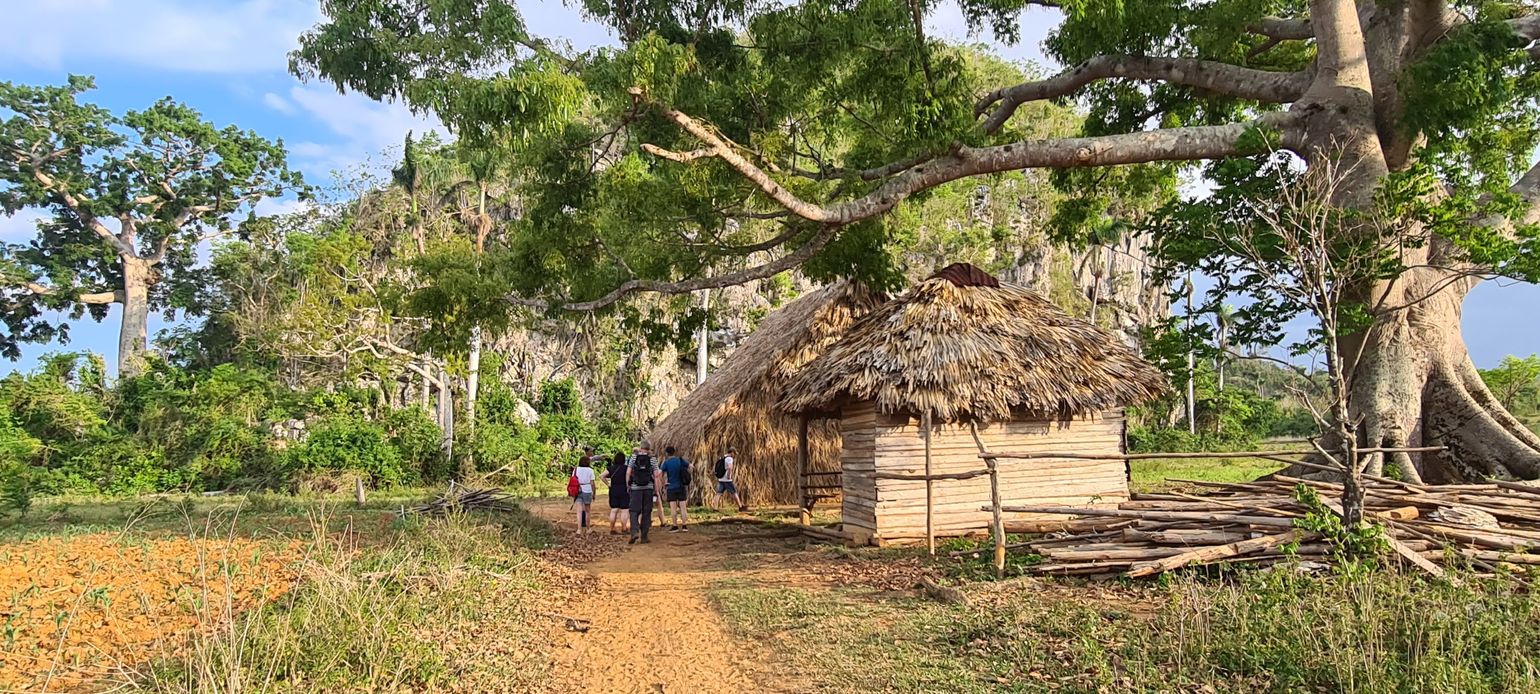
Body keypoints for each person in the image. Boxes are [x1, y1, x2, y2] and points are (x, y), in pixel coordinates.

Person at [626, 443, 657, 544]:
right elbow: (656, 475)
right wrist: (656, 490)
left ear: (640, 448)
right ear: (648, 449)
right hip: (648, 488)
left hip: (636, 488)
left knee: (634, 511)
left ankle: (634, 532)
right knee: (646, 511)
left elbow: (628, 472)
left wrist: (628, 484)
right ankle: (644, 537)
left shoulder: (634, 457)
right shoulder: (652, 459)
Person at [658, 445, 691, 532]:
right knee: (683, 507)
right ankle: (684, 526)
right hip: (681, 486)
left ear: (667, 453)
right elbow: (691, 466)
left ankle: (675, 526)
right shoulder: (680, 460)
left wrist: (663, 483)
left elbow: (659, 473)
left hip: (671, 487)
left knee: (673, 508)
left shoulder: (666, 462)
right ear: (674, 452)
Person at [602, 451, 630, 535]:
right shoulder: (626, 468)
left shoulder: (611, 468)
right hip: (624, 489)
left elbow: (601, 476)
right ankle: (624, 528)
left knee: (614, 510)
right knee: (624, 510)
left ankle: (612, 528)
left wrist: (608, 484)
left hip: (613, 489)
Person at [712, 446, 745, 512]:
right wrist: (729, 475)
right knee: (734, 492)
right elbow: (730, 467)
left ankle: (715, 508)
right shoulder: (729, 458)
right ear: (732, 452)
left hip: (721, 479)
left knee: (718, 494)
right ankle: (740, 507)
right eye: (734, 453)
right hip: (727, 480)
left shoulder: (723, 457)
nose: (734, 455)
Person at [573, 455, 597, 534]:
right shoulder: (590, 470)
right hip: (587, 490)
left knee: (579, 511)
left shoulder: (576, 469)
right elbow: (592, 483)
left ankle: (579, 529)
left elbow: (573, 479)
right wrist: (594, 493)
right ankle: (587, 528)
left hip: (578, 490)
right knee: (587, 511)